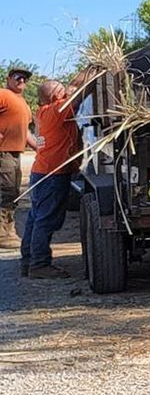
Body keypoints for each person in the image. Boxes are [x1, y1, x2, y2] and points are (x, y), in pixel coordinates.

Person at [23, 80, 78, 279]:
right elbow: (78, 95)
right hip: (53, 174)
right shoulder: (56, 110)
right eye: (62, 92)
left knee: (36, 218)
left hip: (42, 172)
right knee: (46, 220)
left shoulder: (44, 111)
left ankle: (28, 261)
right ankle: (39, 264)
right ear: (56, 97)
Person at [0, 68, 35, 251]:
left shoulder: (22, 103)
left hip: (15, 153)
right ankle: (3, 235)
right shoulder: (3, 94)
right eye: (18, 77)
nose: (22, 80)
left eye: (25, 79)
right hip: (3, 153)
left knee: (14, 191)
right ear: (9, 79)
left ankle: (8, 230)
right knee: (6, 191)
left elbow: (26, 132)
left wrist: (40, 148)